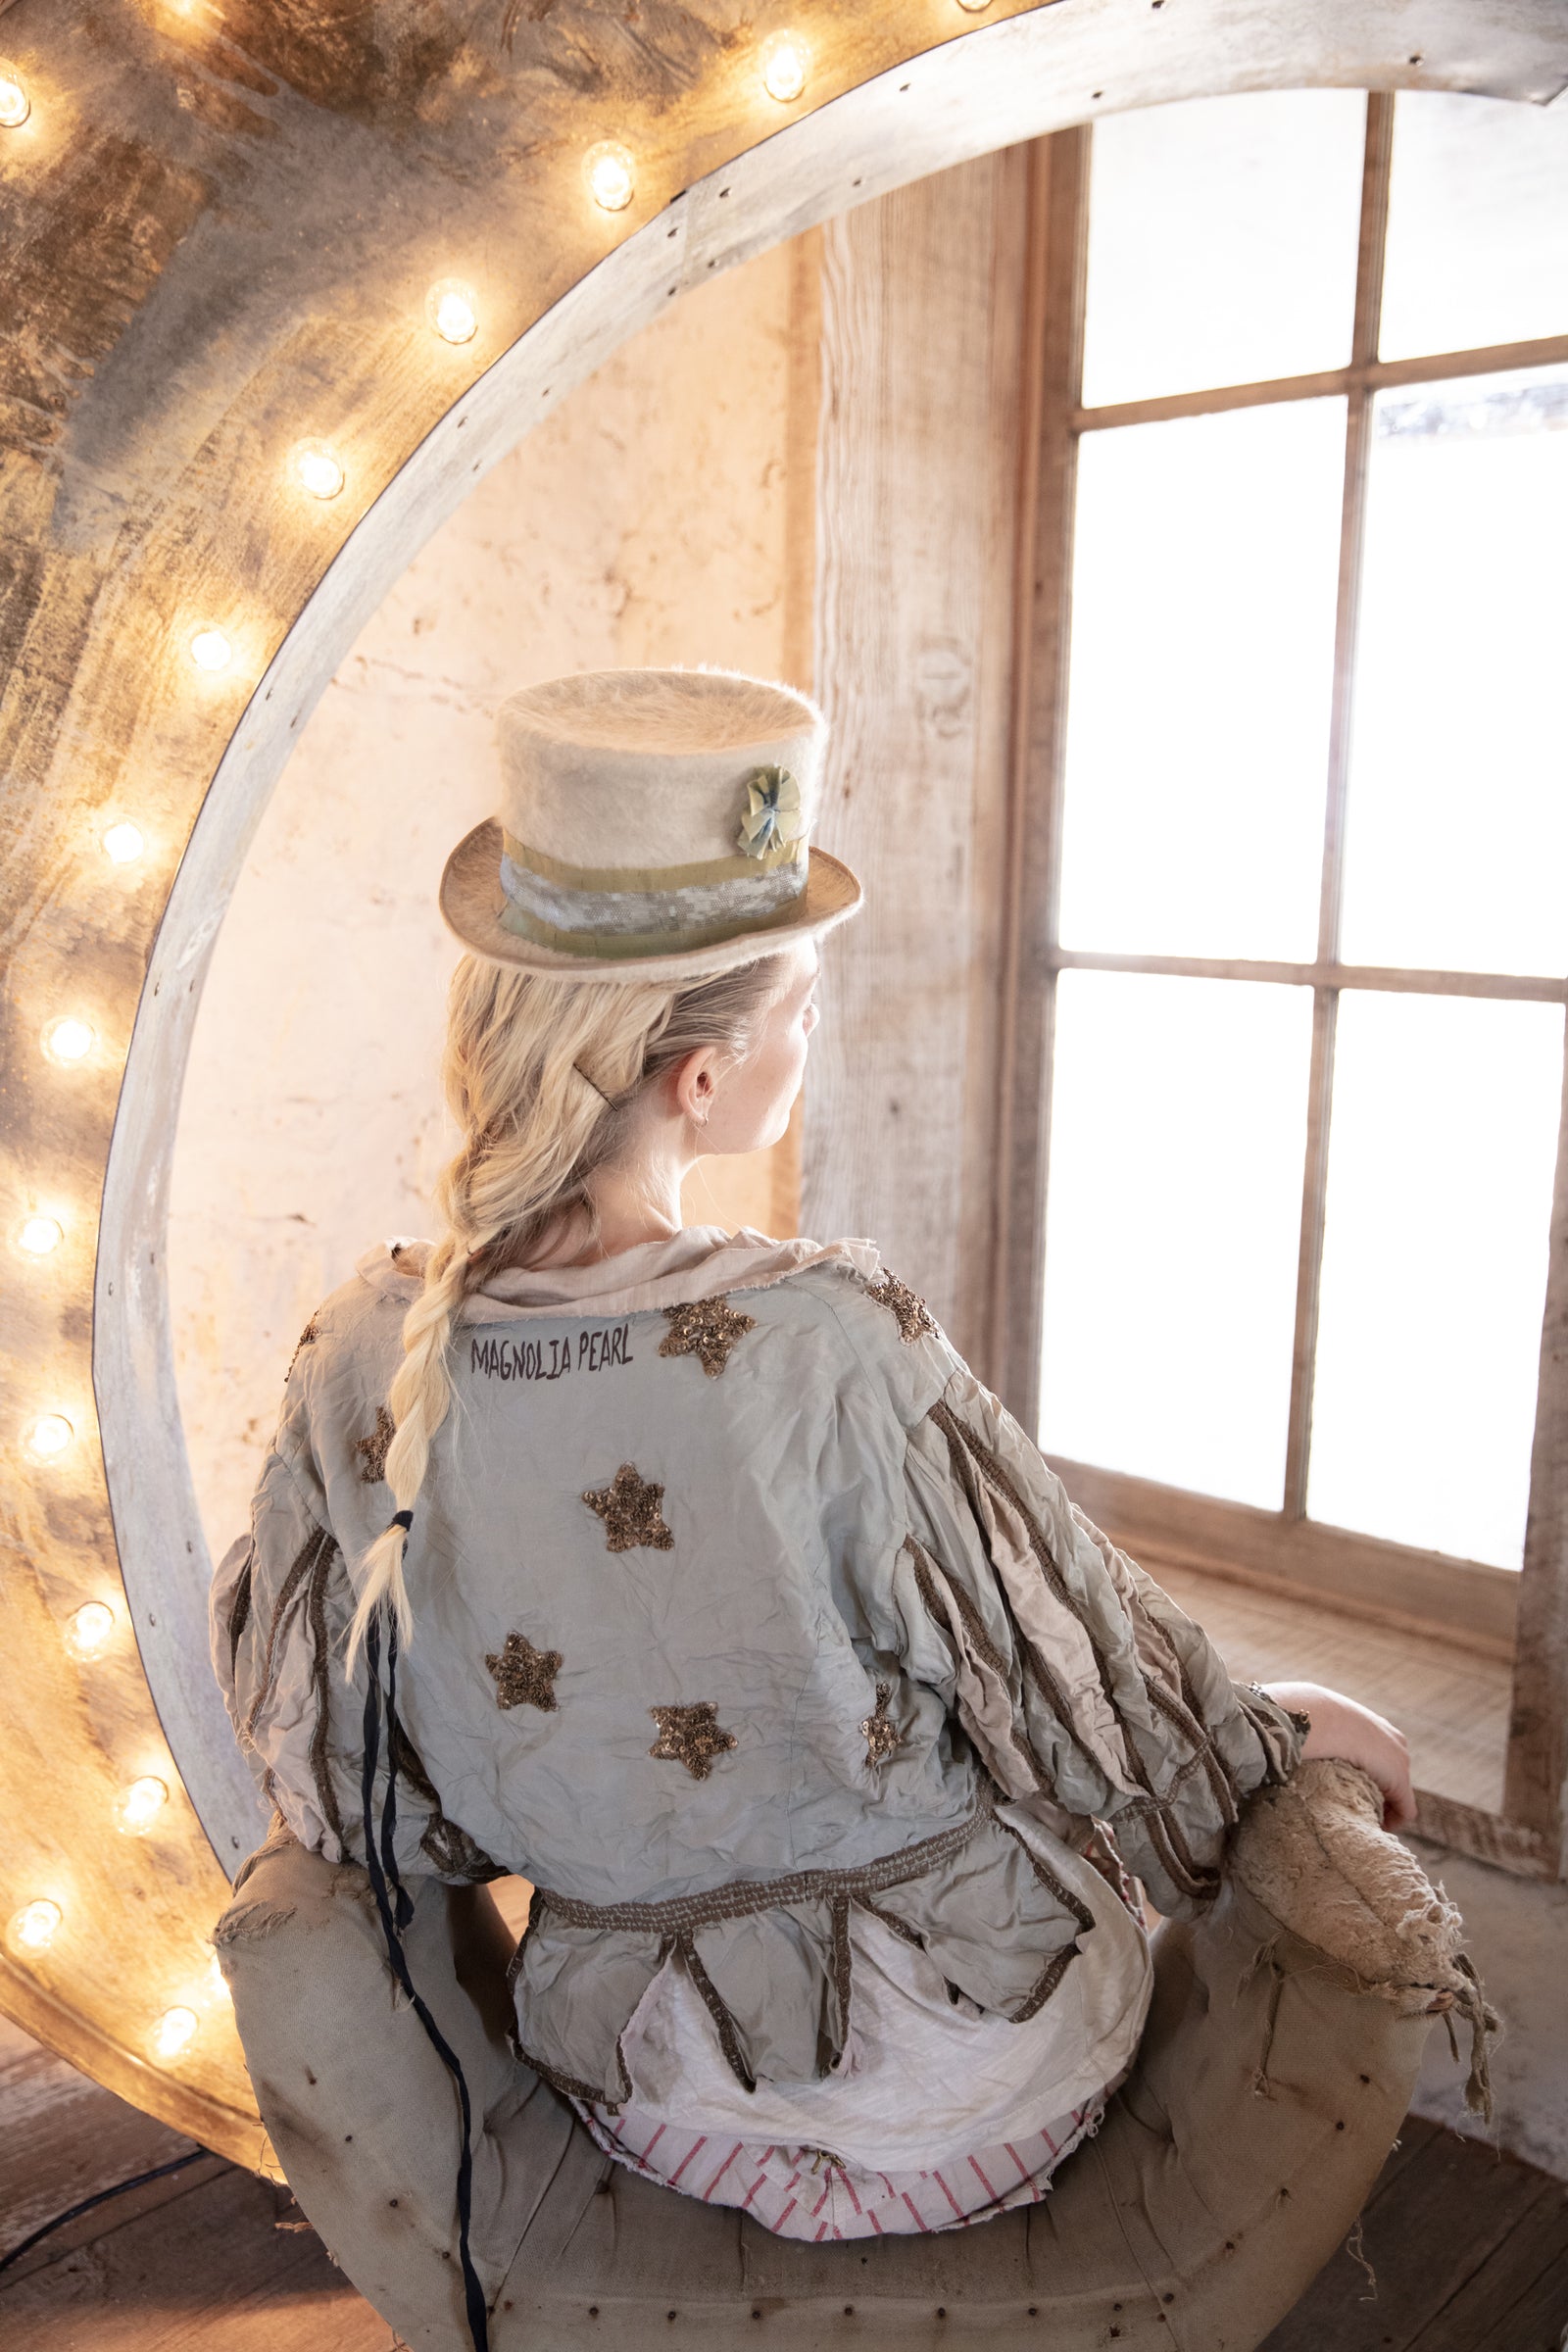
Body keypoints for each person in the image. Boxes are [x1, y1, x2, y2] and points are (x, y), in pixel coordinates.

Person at [212, 663, 1414, 2269]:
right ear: (701, 1081)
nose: (814, 1037)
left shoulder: (355, 1349)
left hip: (654, 2102)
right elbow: (1085, 1686)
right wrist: (1277, 1730)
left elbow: (333, 1763)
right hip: (974, 2097)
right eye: (803, 1009)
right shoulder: (832, 1333)